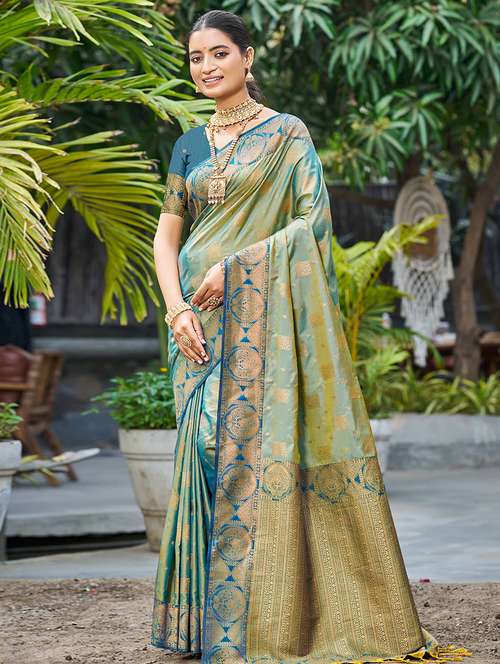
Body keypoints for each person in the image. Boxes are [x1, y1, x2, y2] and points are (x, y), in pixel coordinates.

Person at [151, 9, 472, 664]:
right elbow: (166, 237)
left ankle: (260, 622)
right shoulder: (187, 145)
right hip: (196, 325)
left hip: (259, 317)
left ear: (247, 58)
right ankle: (210, 622)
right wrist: (175, 308)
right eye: (196, 57)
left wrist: (236, 269)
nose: (206, 67)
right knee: (205, 452)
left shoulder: (286, 135)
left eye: (218, 53)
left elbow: (312, 227)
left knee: (233, 450)